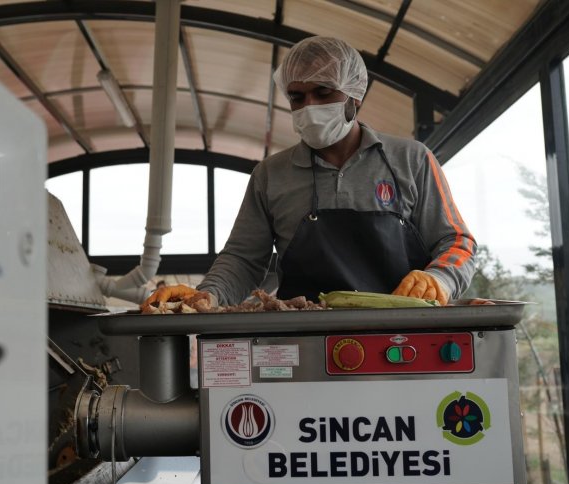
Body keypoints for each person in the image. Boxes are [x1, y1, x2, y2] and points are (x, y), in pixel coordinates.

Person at [143, 36, 475, 309]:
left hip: (401, 340)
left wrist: (441, 278)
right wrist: (207, 295)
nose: (309, 107)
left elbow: (456, 241)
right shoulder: (271, 175)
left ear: (354, 95)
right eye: (297, 97)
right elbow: (243, 259)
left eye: (323, 92)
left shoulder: (411, 159)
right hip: (302, 342)